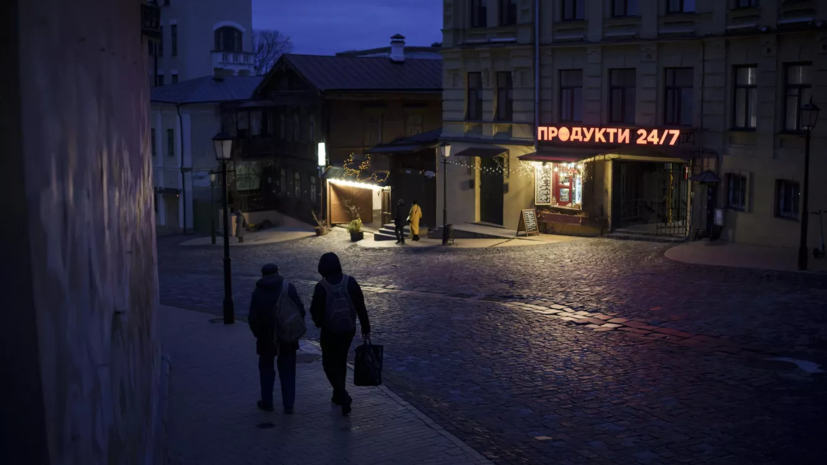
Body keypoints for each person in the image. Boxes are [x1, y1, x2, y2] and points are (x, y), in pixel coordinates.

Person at [310, 253, 370, 416]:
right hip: (348, 329)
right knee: (341, 360)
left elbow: (314, 311)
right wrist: (365, 327)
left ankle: (342, 394)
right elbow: (360, 305)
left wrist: (320, 323)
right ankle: (338, 394)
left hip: (330, 331)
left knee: (328, 363)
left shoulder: (321, 286)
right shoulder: (350, 282)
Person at [248, 263, 305, 414]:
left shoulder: (257, 292)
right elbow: (300, 311)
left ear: (263, 275)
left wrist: (258, 333)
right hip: (287, 336)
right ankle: (288, 405)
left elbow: (252, 319)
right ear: (277, 272)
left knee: (266, 369)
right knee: (288, 370)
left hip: (265, 338)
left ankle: (267, 402)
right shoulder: (288, 288)